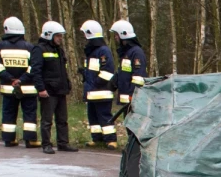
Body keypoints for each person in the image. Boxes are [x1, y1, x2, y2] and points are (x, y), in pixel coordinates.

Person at [0, 16, 41, 147]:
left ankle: (9, 139)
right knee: (29, 114)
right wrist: (21, 80)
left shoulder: (0, 47)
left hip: (8, 88)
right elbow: (34, 66)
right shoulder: (29, 47)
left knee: (9, 113)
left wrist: (9, 78)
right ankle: (30, 140)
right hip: (28, 88)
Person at [36, 21, 77, 154]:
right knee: (47, 120)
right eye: (57, 35)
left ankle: (63, 143)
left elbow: (62, 70)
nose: (60, 38)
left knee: (62, 120)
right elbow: (35, 72)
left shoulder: (59, 50)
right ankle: (46, 144)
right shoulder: (39, 49)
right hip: (48, 91)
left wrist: (67, 84)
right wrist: (41, 89)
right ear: (49, 35)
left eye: (61, 35)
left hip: (60, 90)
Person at [80, 20, 118, 149]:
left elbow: (108, 71)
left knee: (104, 116)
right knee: (93, 117)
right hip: (92, 92)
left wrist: (96, 84)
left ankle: (111, 140)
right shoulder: (91, 52)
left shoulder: (103, 51)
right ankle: (97, 139)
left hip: (101, 91)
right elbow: (92, 71)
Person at [110, 20, 147, 112]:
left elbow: (139, 78)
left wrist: (133, 96)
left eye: (117, 35)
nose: (115, 37)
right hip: (127, 101)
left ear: (123, 34)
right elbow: (123, 73)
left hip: (133, 101)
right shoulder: (127, 53)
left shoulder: (136, 52)